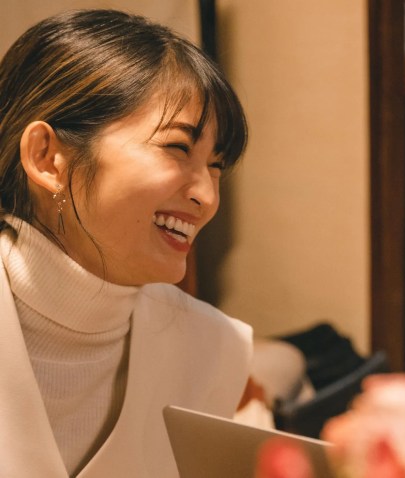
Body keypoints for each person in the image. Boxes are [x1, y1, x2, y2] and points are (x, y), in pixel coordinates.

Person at [0, 9, 257, 477]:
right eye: (178, 148)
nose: (206, 196)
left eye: (216, 166)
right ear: (47, 158)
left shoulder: (213, 349)